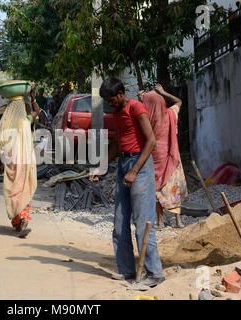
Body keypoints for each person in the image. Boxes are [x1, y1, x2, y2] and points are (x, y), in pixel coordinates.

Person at [100, 77, 165, 287]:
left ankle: (155, 273)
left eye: (111, 99)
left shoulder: (136, 108)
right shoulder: (116, 114)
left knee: (142, 222)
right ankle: (127, 270)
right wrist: (101, 167)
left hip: (140, 165)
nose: (110, 104)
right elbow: (118, 144)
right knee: (120, 222)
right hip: (123, 164)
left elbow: (152, 140)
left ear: (120, 94)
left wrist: (134, 171)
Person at [138, 85, 188, 229]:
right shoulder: (170, 114)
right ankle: (178, 220)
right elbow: (179, 102)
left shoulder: (145, 120)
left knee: (156, 190)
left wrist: (141, 100)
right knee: (174, 189)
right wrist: (164, 92)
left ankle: (160, 221)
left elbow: (139, 113)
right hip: (171, 159)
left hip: (154, 160)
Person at [0, 85, 39, 238]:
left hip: (11, 162)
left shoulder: (5, 121)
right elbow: (36, 112)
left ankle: (20, 221)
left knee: (13, 190)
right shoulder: (24, 120)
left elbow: (0, 143)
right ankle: (21, 220)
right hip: (24, 162)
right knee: (23, 189)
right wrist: (33, 97)